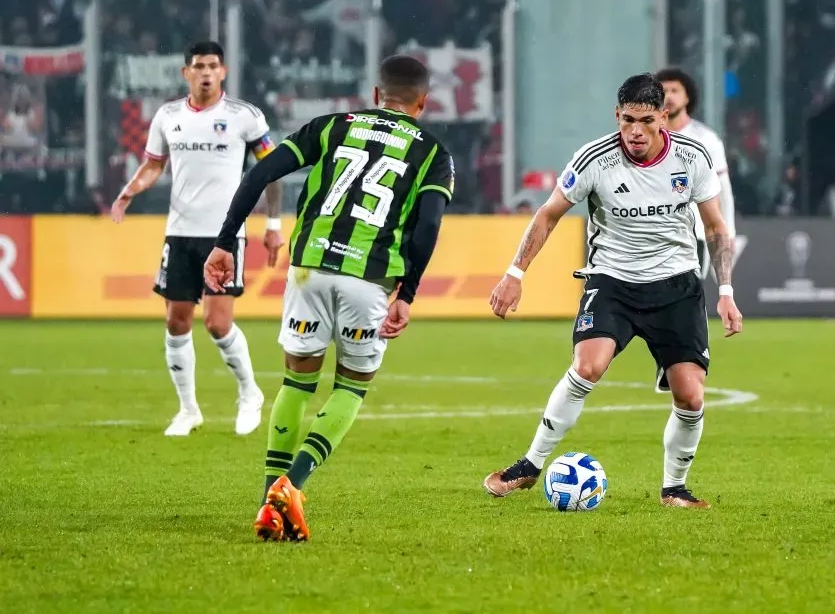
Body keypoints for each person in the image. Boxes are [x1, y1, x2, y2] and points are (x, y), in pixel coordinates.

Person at [203, 55, 455, 542]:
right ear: (423, 103)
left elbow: (259, 175)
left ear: (376, 93)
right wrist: (410, 292)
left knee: (296, 385)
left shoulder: (331, 126)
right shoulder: (432, 151)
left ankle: (266, 500)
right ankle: (290, 488)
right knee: (351, 387)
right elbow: (428, 225)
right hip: (370, 277)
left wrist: (224, 240)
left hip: (307, 269)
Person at [483, 73, 742, 509]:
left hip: (676, 286)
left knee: (690, 395)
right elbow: (547, 215)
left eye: (644, 120)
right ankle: (529, 464)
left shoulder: (692, 157)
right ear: (616, 116)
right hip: (612, 282)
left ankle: (674, 487)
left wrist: (727, 290)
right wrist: (515, 273)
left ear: (663, 116)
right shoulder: (594, 160)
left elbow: (715, 228)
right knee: (587, 366)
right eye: (626, 120)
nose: (635, 132)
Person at [111, 41, 282, 438]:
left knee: (218, 324)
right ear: (186, 73)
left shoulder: (244, 117)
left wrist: (273, 226)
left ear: (223, 72)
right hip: (180, 233)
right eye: (199, 66)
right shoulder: (168, 115)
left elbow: (271, 170)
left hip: (224, 234)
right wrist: (129, 191)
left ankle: (249, 392)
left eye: (213, 66)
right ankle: (188, 410)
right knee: (176, 321)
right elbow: (153, 166)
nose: (206, 72)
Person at [654, 68, 736, 394]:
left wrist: (727, 234)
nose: (668, 95)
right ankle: (671, 357)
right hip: (655, 231)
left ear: (687, 97)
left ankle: (685, 359)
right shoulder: (647, 136)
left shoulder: (706, 140)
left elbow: (723, 192)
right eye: (662, 90)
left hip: (696, 235)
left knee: (685, 295)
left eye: (675, 89)